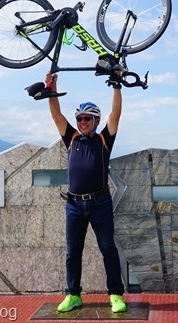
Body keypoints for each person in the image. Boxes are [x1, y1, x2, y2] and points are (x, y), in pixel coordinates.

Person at [44, 71, 127, 313]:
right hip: (73, 205)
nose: (82, 123)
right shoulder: (71, 139)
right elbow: (56, 114)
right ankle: (73, 295)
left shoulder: (103, 139)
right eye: (79, 119)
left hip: (100, 202)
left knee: (108, 249)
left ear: (95, 121)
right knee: (73, 253)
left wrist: (116, 85)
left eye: (86, 119)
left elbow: (116, 114)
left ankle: (115, 295)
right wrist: (52, 86)